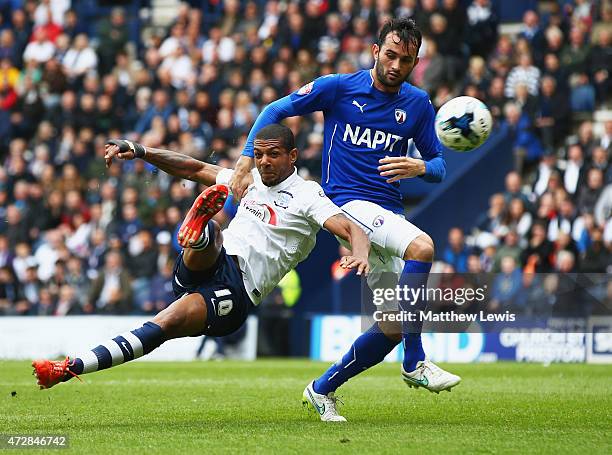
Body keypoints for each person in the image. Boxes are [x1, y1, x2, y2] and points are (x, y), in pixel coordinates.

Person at [32, 125, 371, 410]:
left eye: (273, 155)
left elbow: (351, 227)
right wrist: (139, 149)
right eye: (259, 154)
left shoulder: (308, 195)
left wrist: (360, 253)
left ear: (292, 156)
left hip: (237, 290)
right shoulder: (247, 179)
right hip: (209, 262)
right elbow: (193, 169)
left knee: (162, 324)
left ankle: (69, 367)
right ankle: (198, 233)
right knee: (213, 235)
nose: (264, 162)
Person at [230, 18, 460, 422]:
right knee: (423, 247)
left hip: (388, 210)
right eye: (389, 55)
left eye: (405, 60)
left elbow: (441, 165)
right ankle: (416, 361)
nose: (395, 65)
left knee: (390, 326)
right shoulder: (339, 87)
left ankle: (322, 389)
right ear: (375, 51)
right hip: (347, 206)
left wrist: (418, 166)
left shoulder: (418, 105)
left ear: (415, 62)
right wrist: (246, 161)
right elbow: (275, 109)